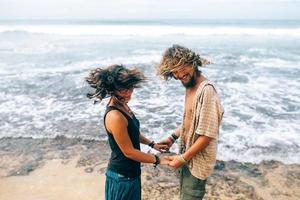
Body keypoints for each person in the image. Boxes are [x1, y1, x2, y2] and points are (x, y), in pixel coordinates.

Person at [85, 64, 169, 200]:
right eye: (123, 90)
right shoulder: (115, 116)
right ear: (112, 90)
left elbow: (132, 132)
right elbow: (129, 151)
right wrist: (159, 160)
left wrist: (152, 144)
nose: (129, 93)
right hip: (121, 178)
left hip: (131, 174)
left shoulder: (123, 104)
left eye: (130, 88)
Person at [157, 45, 224, 200]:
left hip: (197, 161)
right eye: (174, 71)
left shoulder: (206, 90)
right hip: (187, 154)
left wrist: (183, 158)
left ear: (192, 63)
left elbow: (207, 135)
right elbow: (191, 121)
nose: (178, 75)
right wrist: (172, 137)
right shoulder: (190, 85)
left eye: (181, 68)